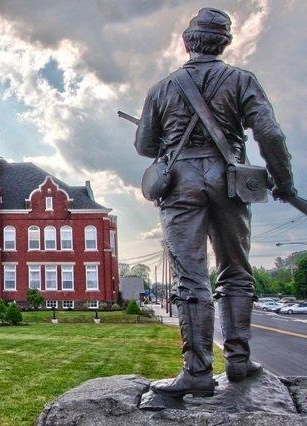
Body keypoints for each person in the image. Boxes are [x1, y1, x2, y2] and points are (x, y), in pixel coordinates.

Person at [134, 7, 296, 397]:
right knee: (236, 270)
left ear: (188, 43)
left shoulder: (162, 88)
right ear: (224, 43)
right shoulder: (242, 80)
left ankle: (197, 371)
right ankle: (239, 360)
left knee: (191, 277)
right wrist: (285, 182)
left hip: (181, 186)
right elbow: (270, 133)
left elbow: (143, 145)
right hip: (231, 181)